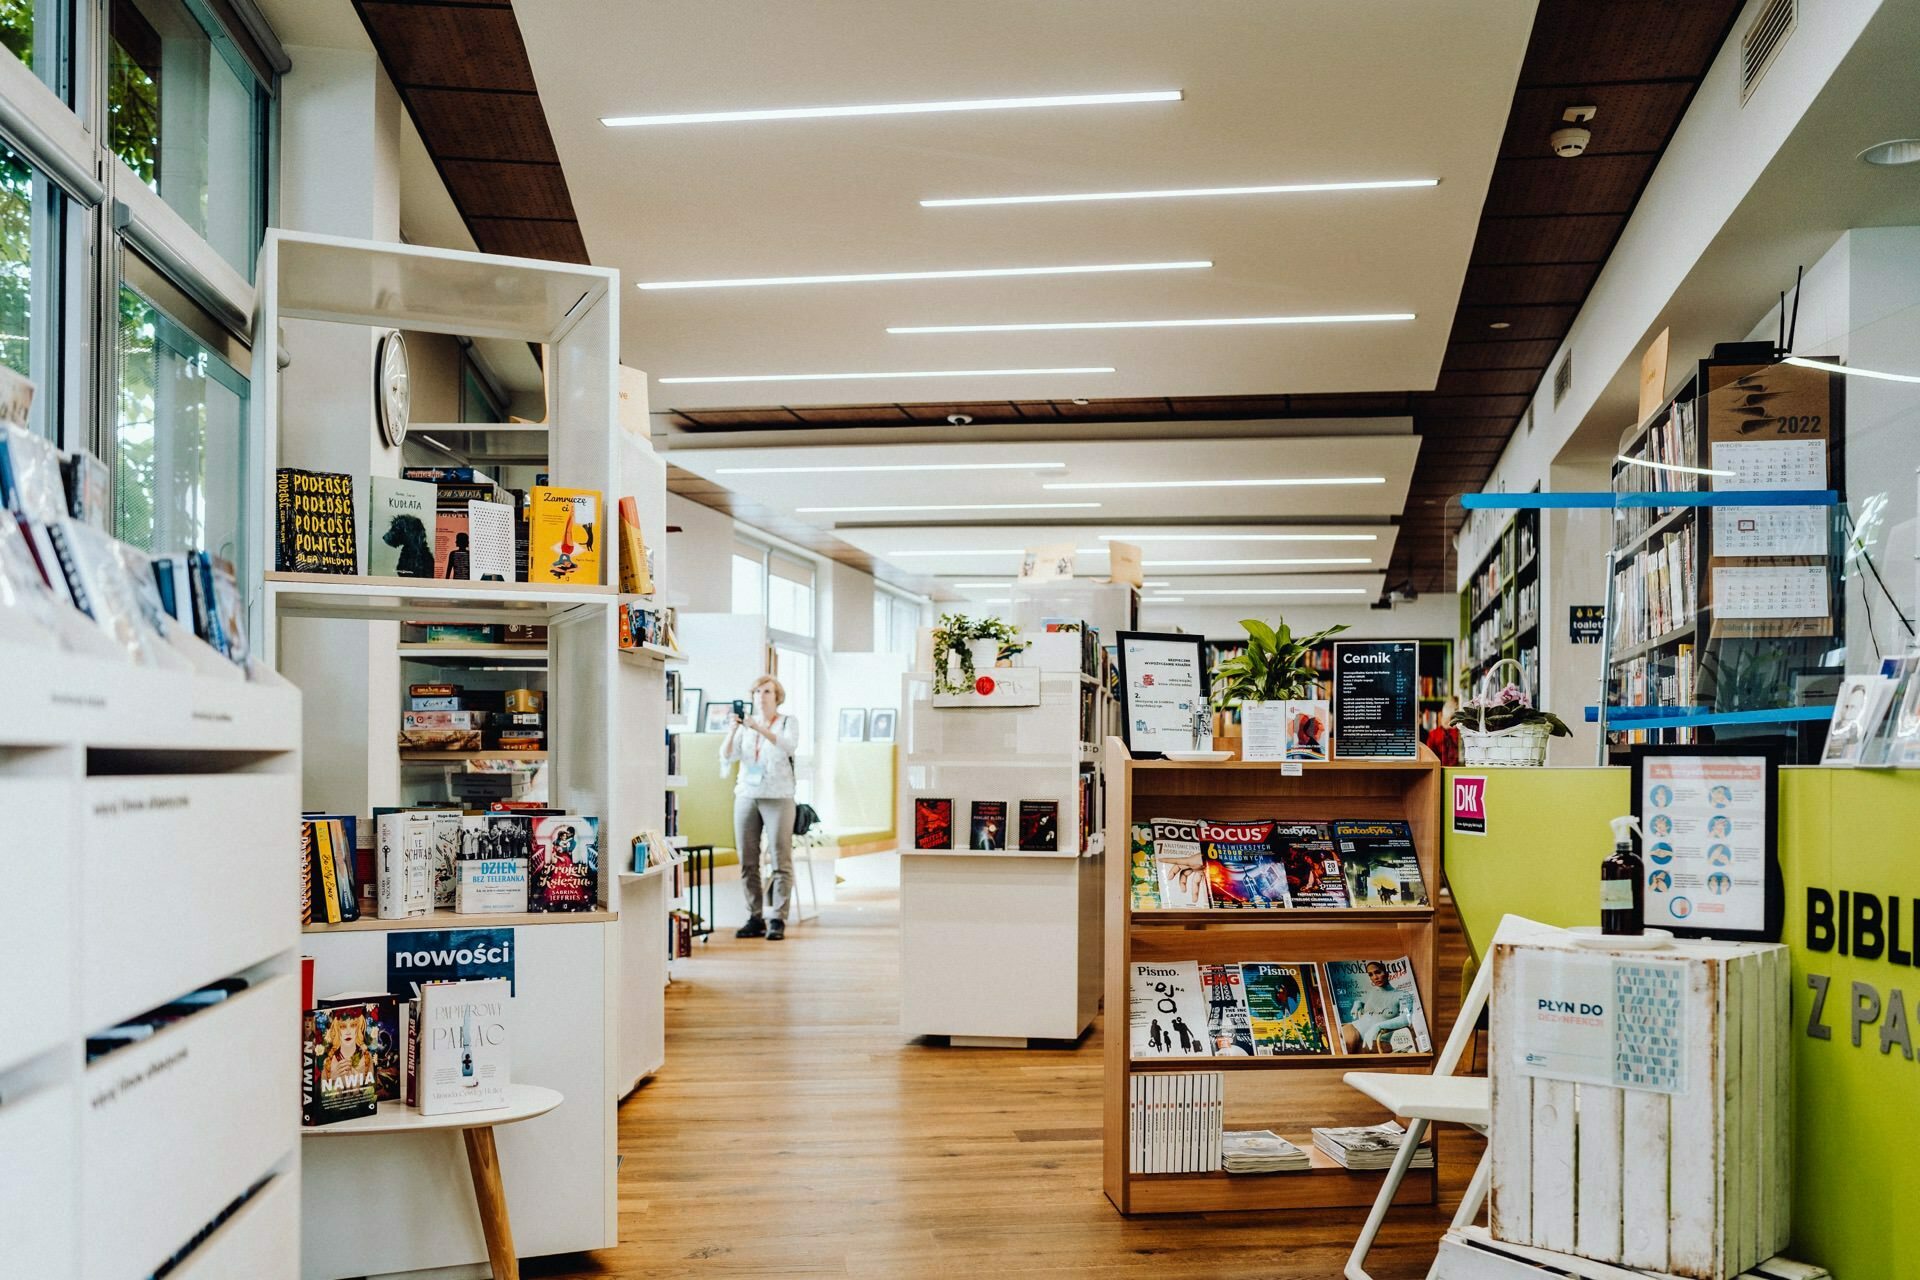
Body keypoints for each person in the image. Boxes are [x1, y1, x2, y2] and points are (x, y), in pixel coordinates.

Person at [720, 674, 800, 940]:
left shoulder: (788, 722)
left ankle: (777, 917)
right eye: (757, 692)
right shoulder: (744, 727)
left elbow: (788, 745)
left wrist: (759, 729)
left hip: (779, 795)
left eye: (767, 692)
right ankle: (755, 916)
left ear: (777, 697)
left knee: (780, 859)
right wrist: (733, 730)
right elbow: (727, 756)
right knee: (748, 860)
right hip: (747, 793)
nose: (761, 697)